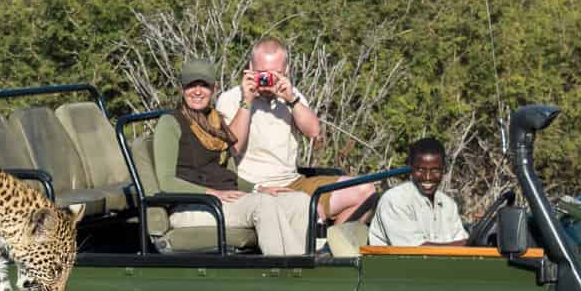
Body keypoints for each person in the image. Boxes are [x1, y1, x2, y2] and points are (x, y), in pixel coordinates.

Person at [154, 59, 312, 256]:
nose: (197, 91)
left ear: (214, 88)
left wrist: (257, 188)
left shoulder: (215, 122)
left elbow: (228, 174)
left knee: (299, 201)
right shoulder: (170, 122)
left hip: (224, 201)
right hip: (194, 206)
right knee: (263, 204)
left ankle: (305, 265)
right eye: (191, 85)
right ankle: (285, 271)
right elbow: (166, 182)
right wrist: (211, 193)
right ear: (181, 89)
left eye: (203, 85)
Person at [215, 37, 375, 225]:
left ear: (286, 71)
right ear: (249, 67)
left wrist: (291, 99)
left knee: (365, 190)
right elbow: (233, 148)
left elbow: (315, 132)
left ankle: (333, 247)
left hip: (293, 182)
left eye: (274, 73)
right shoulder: (231, 98)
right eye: (261, 74)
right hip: (255, 186)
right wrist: (247, 101)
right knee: (311, 210)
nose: (267, 81)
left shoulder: (292, 96)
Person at [368, 137, 468, 247]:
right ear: (411, 168)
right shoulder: (394, 200)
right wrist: (471, 243)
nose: (428, 177)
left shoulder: (448, 205)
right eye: (420, 170)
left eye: (435, 170)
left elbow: (461, 243)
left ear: (443, 169)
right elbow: (418, 252)